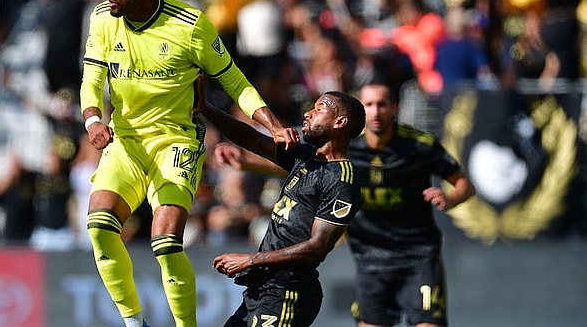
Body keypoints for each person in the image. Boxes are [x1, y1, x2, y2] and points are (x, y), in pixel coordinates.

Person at [79, 0, 299, 327]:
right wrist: (93, 120)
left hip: (176, 141)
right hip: (126, 142)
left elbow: (235, 82)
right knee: (99, 226)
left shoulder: (190, 26)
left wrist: (273, 125)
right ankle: (134, 323)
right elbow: (91, 78)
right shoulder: (102, 19)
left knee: (164, 243)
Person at [199, 86, 366, 327]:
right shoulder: (306, 157)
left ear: (340, 122)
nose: (308, 113)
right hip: (263, 288)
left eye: (319, 109)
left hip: (289, 291)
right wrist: (207, 109)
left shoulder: (342, 181)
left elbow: (317, 247)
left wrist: (250, 260)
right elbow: (253, 139)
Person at [347, 81, 475, 327]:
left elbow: (465, 185)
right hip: (370, 257)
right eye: (369, 105)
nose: (375, 112)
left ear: (394, 108)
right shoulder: (348, 149)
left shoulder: (420, 145)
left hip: (418, 256)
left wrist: (449, 199)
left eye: (382, 105)